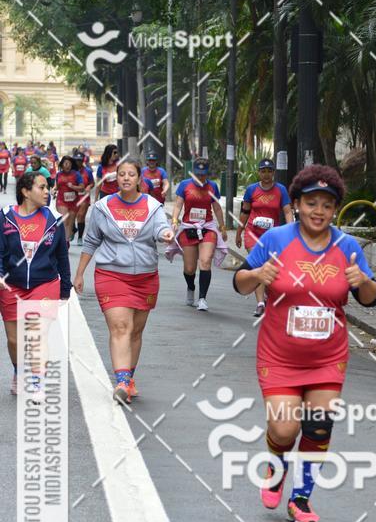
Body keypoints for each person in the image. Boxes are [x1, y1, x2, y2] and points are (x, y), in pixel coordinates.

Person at [233, 165, 376, 522]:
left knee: (317, 428)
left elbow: (371, 298)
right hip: (279, 355)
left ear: (335, 210)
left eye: (327, 205)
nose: (319, 211)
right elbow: (239, 283)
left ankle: (301, 499)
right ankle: (277, 465)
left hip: (328, 357)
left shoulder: (346, 246)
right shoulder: (277, 240)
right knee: (284, 430)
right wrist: (256, 276)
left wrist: (362, 281)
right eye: (311, 203)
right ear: (296, 204)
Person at [73, 157, 174, 404]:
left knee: (135, 331)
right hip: (111, 274)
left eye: (131, 174)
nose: (126, 178)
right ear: (115, 178)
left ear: (139, 179)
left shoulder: (152, 206)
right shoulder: (103, 207)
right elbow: (91, 241)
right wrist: (79, 273)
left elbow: (161, 228)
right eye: (121, 174)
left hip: (145, 277)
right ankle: (121, 381)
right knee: (120, 327)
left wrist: (166, 234)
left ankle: (129, 377)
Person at [0, 172, 71, 395]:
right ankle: (19, 371)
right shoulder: (5, 217)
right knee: (14, 340)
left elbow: (61, 255)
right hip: (11, 285)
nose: (47, 191)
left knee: (37, 333)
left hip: (45, 283)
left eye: (48, 187)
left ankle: (37, 381)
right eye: (42, 187)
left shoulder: (54, 219)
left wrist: (65, 287)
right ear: (25, 191)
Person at [236, 157, 294, 317]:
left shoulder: (281, 190)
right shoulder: (251, 190)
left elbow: (288, 211)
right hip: (252, 233)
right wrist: (239, 232)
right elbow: (245, 212)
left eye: (269, 171)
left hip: (272, 236)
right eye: (263, 171)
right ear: (258, 173)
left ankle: (268, 295)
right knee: (258, 266)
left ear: (273, 173)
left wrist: (291, 230)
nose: (266, 175)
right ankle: (260, 303)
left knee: (271, 268)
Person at [170, 158, 227, 310]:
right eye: (198, 174)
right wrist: (175, 221)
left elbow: (217, 208)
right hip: (189, 227)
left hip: (207, 227)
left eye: (203, 174)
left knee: (205, 261)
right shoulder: (184, 185)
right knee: (189, 268)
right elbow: (178, 205)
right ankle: (191, 287)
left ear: (207, 173)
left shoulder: (213, 186)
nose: (200, 177)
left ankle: (202, 298)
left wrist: (222, 227)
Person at [54, 155, 83, 242]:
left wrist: (73, 186)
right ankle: (62, 242)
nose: (67, 165)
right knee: (64, 221)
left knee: (70, 223)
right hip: (61, 200)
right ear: (62, 165)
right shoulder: (58, 174)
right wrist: (54, 190)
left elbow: (82, 188)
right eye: (65, 163)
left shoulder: (76, 174)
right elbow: (56, 186)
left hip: (74, 201)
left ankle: (66, 242)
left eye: (69, 163)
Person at [73, 152, 95, 245]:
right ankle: (73, 229)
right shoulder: (71, 171)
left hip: (84, 196)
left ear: (82, 161)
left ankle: (80, 237)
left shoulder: (87, 171)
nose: (78, 162)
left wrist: (89, 187)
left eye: (79, 160)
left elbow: (92, 183)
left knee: (81, 216)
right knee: (71, 216)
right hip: (72, 197)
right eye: (76, 160)